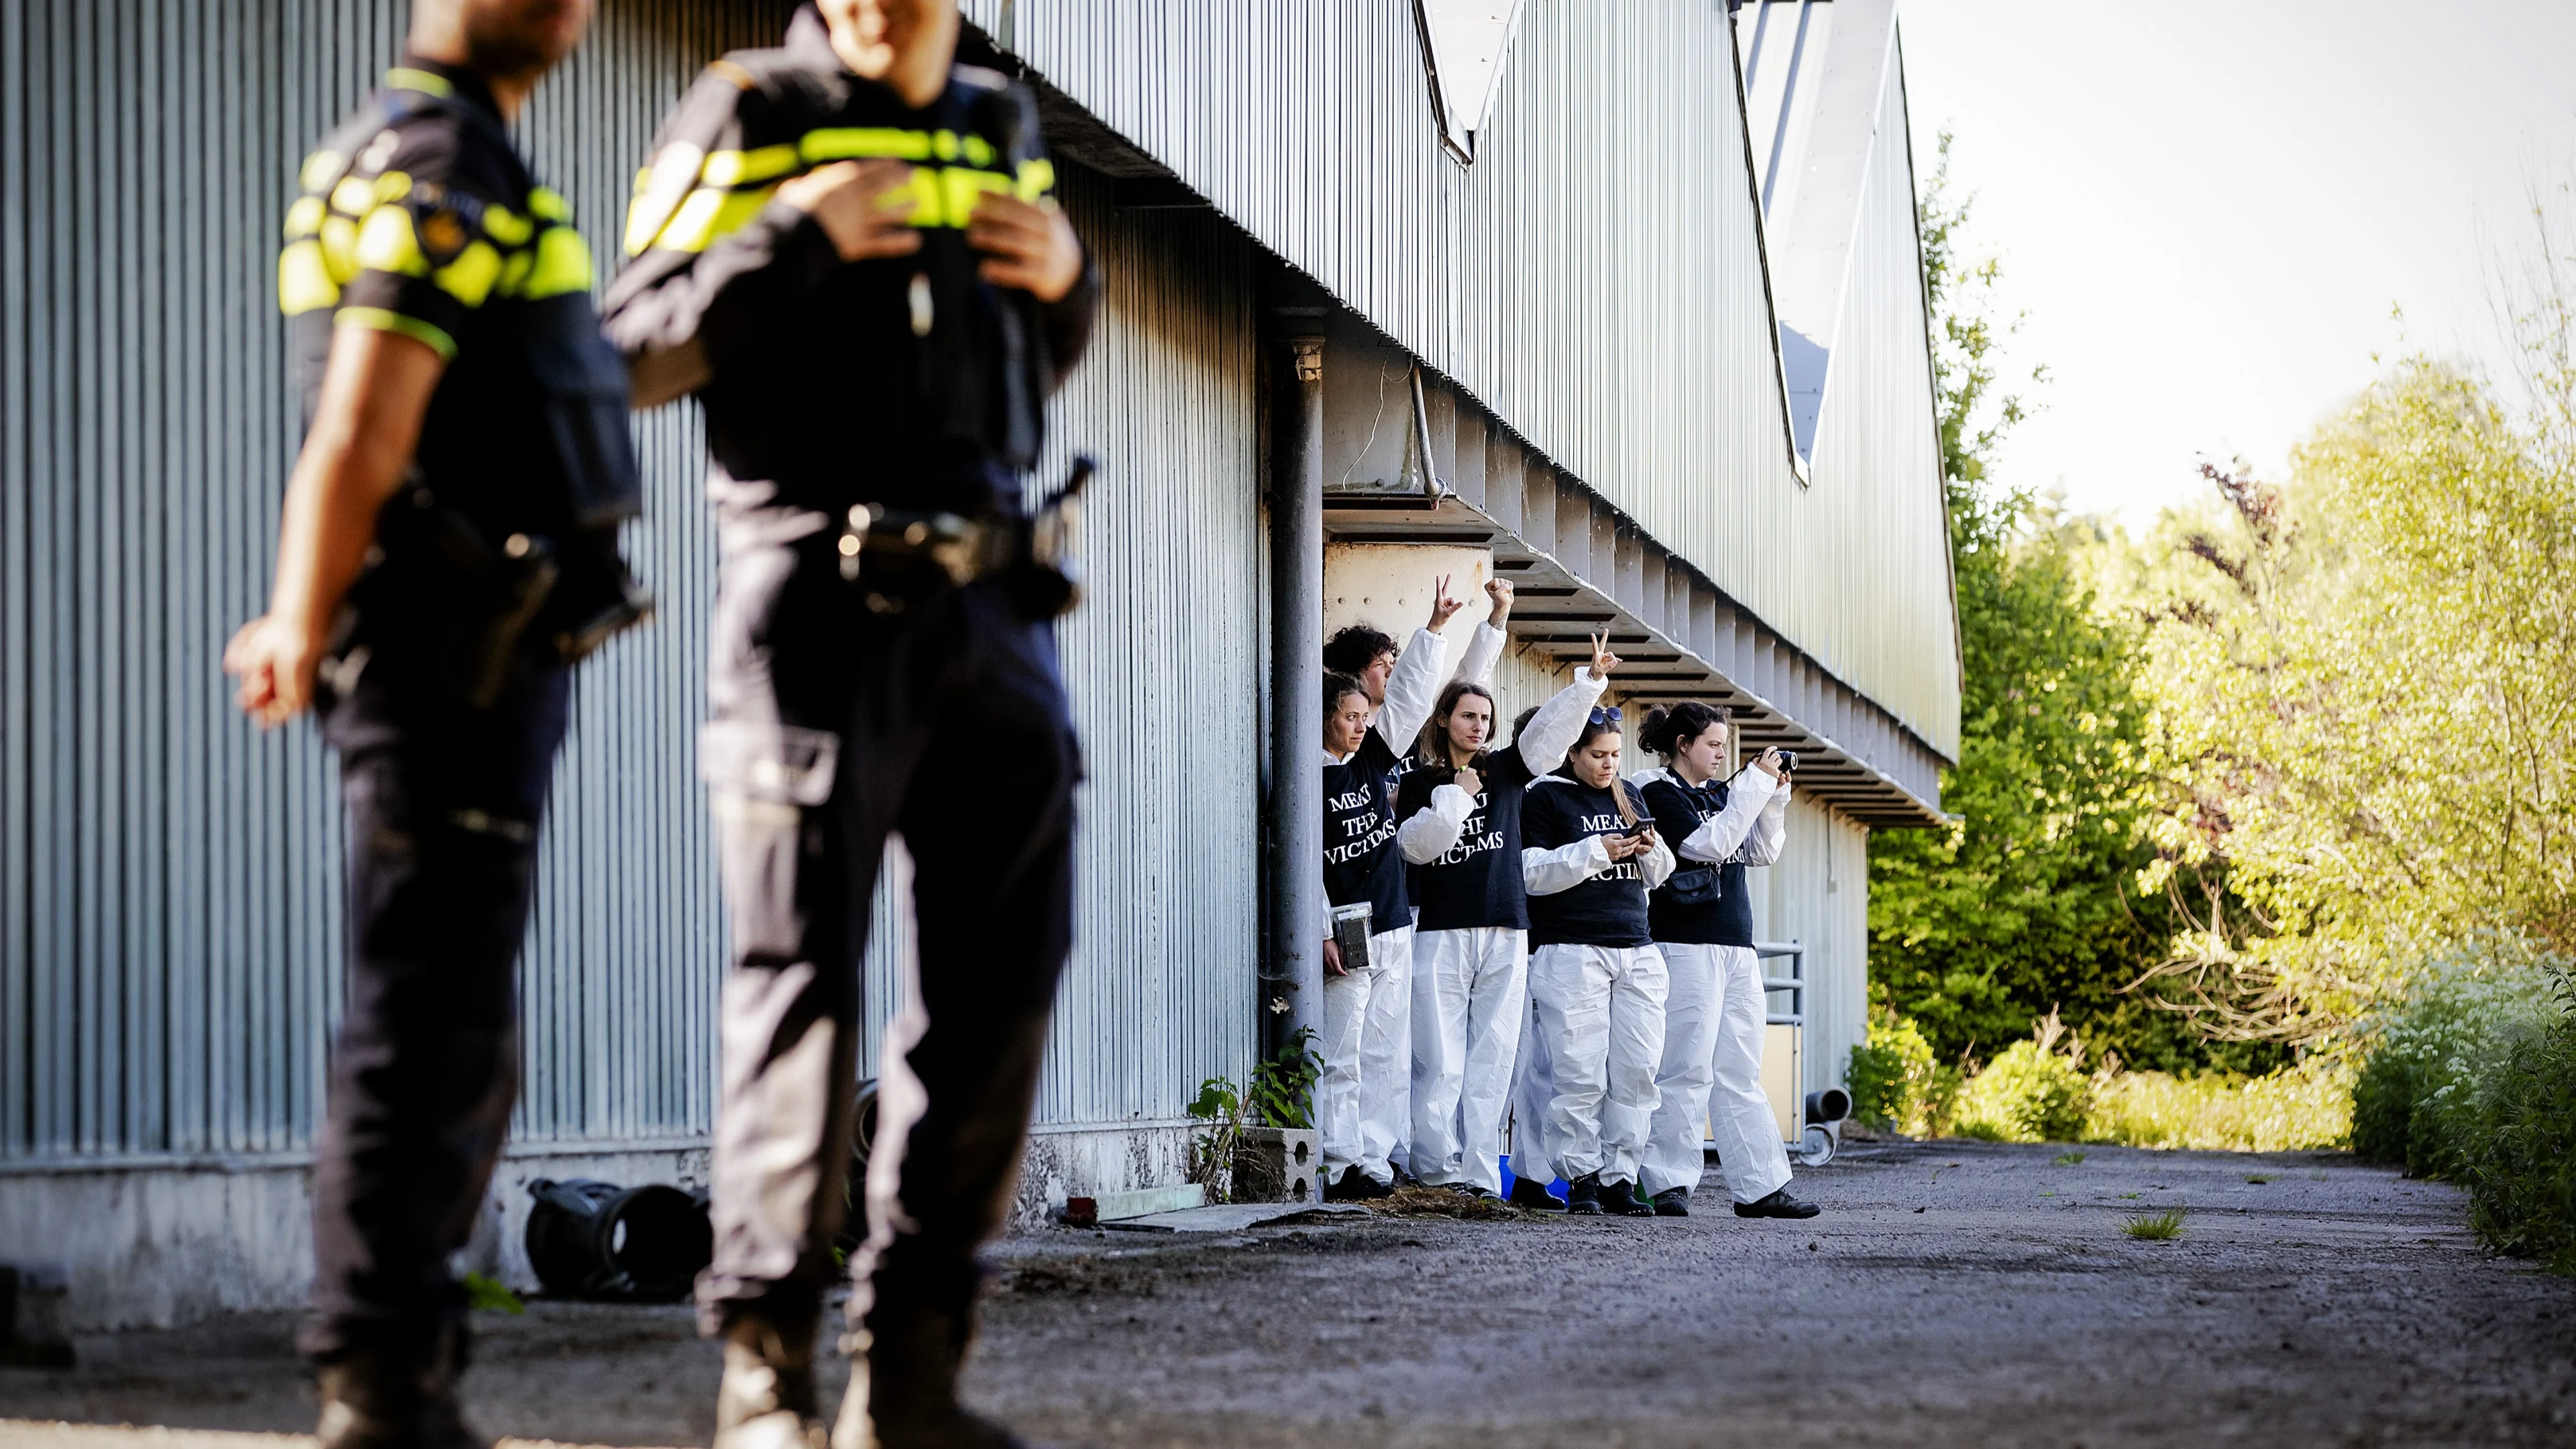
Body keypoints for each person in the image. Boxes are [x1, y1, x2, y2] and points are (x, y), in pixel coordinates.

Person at [600, 1, 1097, 1444]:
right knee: (797, 984)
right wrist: (795, 238)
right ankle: (767, 1374)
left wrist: (1071, 283)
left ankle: (914, 1374)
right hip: (808, 603)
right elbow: (624, 345)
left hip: (997, 613)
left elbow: (1024, 359)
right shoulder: (750, 108)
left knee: (1001, 991)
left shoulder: (1001, 122)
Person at [227, 1, 641, 1442]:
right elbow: (364, 414)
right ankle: (380, 1379)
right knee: (425, 1022)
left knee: (454, 1019)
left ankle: (402, 1370)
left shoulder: (425, 150)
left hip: (473, 655)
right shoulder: (436, 158)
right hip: (440, 655)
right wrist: (298, 611)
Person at [1394, 635, 1620, 1202]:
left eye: (1485, 718)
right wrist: (1458, 795)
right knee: (1439, 1056)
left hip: (1506, 926)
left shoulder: (1510, 770)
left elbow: (1546, 734)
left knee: (1494, 1056)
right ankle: (1434, 1168)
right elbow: (1416, 848)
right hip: (1441, 930)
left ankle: (1478, 1173)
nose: (1477, 726)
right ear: (1444, 719)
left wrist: (1588, 685)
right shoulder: (1421, 782)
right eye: (1467, 715)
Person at [1316, 577, 1468, 1200]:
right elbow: (1303, 861)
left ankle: (1374, 1158)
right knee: (1343, 1045)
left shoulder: (1374, 758)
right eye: (1347, 718)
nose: (1358, 727)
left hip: (1392, 918)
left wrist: (1432, 631)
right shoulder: (1308, 776)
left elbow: (1405, 702)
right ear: (1323, 717)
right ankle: (1336, 1156)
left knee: (1385, 1046)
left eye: (1360, 717)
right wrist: (1322, 926)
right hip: (1347, 921)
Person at [1635, 703, 1818, 1219]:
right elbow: (1706, 845)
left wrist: (1774, 797)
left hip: (1738, 944)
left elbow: (1760, 851)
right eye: (1713, 744)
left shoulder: (1724, 794)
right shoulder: (1657, 793)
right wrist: (1752, 789)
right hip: (1684, 943)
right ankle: (1669, 1183)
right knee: (1685, 1067)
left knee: (1739, 1068)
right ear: (1683, 744)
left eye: (1724, 745)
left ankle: (1760, 1187)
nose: (1722, 754)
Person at [1516, 706, 1677, 1216]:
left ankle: (1620, 1178)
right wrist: (1597, 851)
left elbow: (1662, 874)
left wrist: (1648, 848)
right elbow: (1530, 873)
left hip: (1636, 945)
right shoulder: (1544, 794)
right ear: (1572, 752)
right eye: (1598, 755)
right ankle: (1580, 1176)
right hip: (1570, 948)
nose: (1609, 765)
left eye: (1615, 754)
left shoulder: (1629, 793)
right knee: (1579, 1071)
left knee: (1637, 1070)